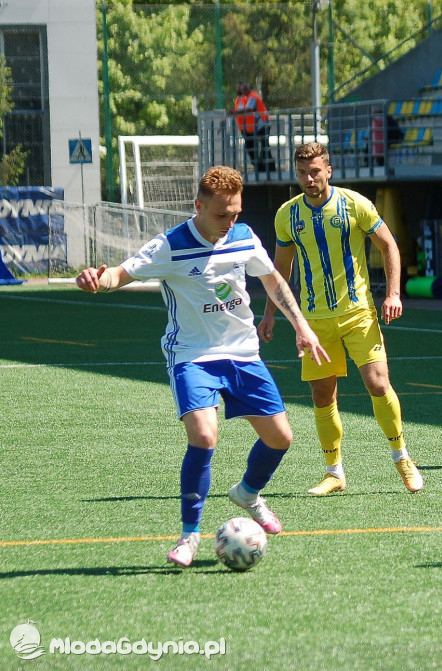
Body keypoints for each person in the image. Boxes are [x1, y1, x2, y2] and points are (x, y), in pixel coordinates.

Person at [75, 166, 328, 568]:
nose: (230, 222)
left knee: (281, 438)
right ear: (199, 206)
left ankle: (247, 493)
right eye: (221, 214)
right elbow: (120, 275)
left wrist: (302, 327)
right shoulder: (170, 245)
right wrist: (96, 279)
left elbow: (274, 280)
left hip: (243, 354)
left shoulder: (243, 236)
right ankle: (189, 536)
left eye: (236, 213)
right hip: (192, 356)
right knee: (204, 436)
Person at [257, 142, 423, 496]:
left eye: (315, 171)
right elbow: (280, 269)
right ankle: (334, 472)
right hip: (314, 320)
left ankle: (402, 458)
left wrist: (393, 293)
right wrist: (270, 313)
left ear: (328, 170)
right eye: (302, 173)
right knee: (322, 395)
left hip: (358, 312)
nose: (309, 178)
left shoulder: (354, 204)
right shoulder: (288, 215)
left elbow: (389, 245)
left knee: (378, 384)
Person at [231, 82, 275, 173]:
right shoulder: (245, 98)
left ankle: (269, 168)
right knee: (252, 147)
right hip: (252, 127)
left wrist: (234, 112)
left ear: (247, 89)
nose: (242, 92)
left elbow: (248, 109)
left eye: (243, 90)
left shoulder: (252, 97)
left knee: (264, 146)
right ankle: (261, 167)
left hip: (262, 125)